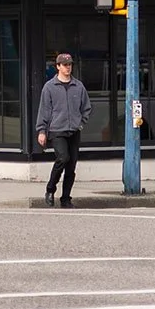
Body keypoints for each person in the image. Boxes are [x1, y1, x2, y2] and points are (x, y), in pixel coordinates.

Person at [35, 52, 91, 208]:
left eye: (70, 64)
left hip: (73, 131)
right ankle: (50, 189)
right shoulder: (49, 87)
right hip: (56, 130)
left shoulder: (78, 86)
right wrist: (41, 131)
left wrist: (80, 124)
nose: (68, 67)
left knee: (71, 167)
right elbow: (44, 110)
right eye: (65, 65)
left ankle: (66, 199)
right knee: (63, 158)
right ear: (58, 67)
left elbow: (86, 108)